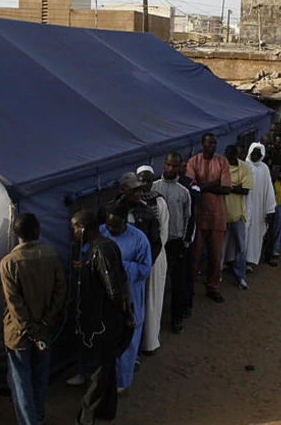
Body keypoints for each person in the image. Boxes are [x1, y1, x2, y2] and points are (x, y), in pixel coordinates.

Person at [0, 212, 66, 425]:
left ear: (15, 233)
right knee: (39, 377)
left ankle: (30, 421)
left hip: (18, 333)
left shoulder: (9, 262)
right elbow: (60, 291)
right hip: (45, 329)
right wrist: (45, 322)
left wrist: (29, 329)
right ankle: (38, 415)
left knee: (21, 383)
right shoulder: (51, 255)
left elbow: (14, 302)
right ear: (37, 231)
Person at [71, 210, 135, 425]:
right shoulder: (105, 247)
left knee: (97, 370)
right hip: (105, 320)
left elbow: (113, 289)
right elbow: (122, 280)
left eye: (75, 229)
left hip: (102, 322)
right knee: (106, 367)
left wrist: (124, 312)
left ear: (84, 229)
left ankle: (87, 415)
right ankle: (106, 410)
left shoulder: (100, 252)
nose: (74, 233)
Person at [101, 202, 151, 392]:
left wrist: (120, 267)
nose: (111, 230)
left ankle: (122, 380)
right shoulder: (102, 232)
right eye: (109, 225)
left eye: (116, 226)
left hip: (130, 294)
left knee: (128, 337)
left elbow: (145, 269)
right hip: (106, 295)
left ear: (125, 223)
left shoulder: (140, 240)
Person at [186, 133, 231, 304]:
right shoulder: (193, 162)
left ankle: (212, 287)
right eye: (209, 143)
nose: (213, 145)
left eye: (214, 143)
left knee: (215, 255)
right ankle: (190, 287)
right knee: (195, 255)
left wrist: (203, 186)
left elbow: (227, 189)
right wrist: (214, 184)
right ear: (202, 144)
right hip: (199, 216)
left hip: (218, 216)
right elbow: (192, 187)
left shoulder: (222, 162)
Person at [130, 168, 169, 355]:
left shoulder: (158, 201)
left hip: (155, 257)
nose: (145, 184)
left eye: (148, 180)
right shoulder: (130, 204)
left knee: (152, 301)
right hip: (134, 261)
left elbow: (162, 234)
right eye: (141, 181)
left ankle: (150, 342)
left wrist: (149, 259)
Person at [152, 153, 192, 334]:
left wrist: (186, 241)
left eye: (174, 166)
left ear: (179, 167)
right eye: (168, 165)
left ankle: (177, 318)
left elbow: (190, 218)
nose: (170, 169)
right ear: (164, 164)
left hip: (176, 242)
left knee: (177, 282)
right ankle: (154, 323)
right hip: (157, 243)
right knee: (155, 283)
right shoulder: (153, 187)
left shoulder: (184, 191)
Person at [222, 145, 253, 290]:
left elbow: (245, 190)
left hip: (238, 215)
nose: (230, 161)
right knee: (220, 247)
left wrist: (229, 187)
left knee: (241, 247)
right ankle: (217, 274)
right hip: (221, 214)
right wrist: (234, 186)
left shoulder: (245, 168)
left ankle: (240, 276)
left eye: (233, 159)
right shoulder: (221, 166)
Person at [244, 143, 276, 269]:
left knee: (254, 235)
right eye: (254, 153)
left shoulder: (264, 168)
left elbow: (269, 190)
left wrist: (269, 209)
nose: (255, 156)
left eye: (258, 154)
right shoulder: (244, 166)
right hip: (244, 206)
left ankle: (248, 262)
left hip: (258, 208)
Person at [263, 134, 281, 266]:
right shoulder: (265, 157)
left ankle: (274, 250)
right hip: (268, 193)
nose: (279, 144)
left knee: (277, 224)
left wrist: (276, 176)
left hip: (279, 193)